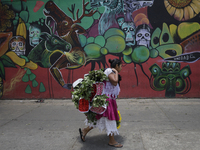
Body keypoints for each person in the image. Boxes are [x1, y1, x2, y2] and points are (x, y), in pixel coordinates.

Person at [79, 58, 123, 148]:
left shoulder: (111, 72)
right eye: (120, 66)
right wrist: (116, 71)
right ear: (117, 66)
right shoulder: (109, 71)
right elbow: (114, 82)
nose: (121, 68)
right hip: (107, 101)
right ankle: (112, 141)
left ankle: (84, 131)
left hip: (109, 100)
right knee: (110, 119)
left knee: (100, 119)